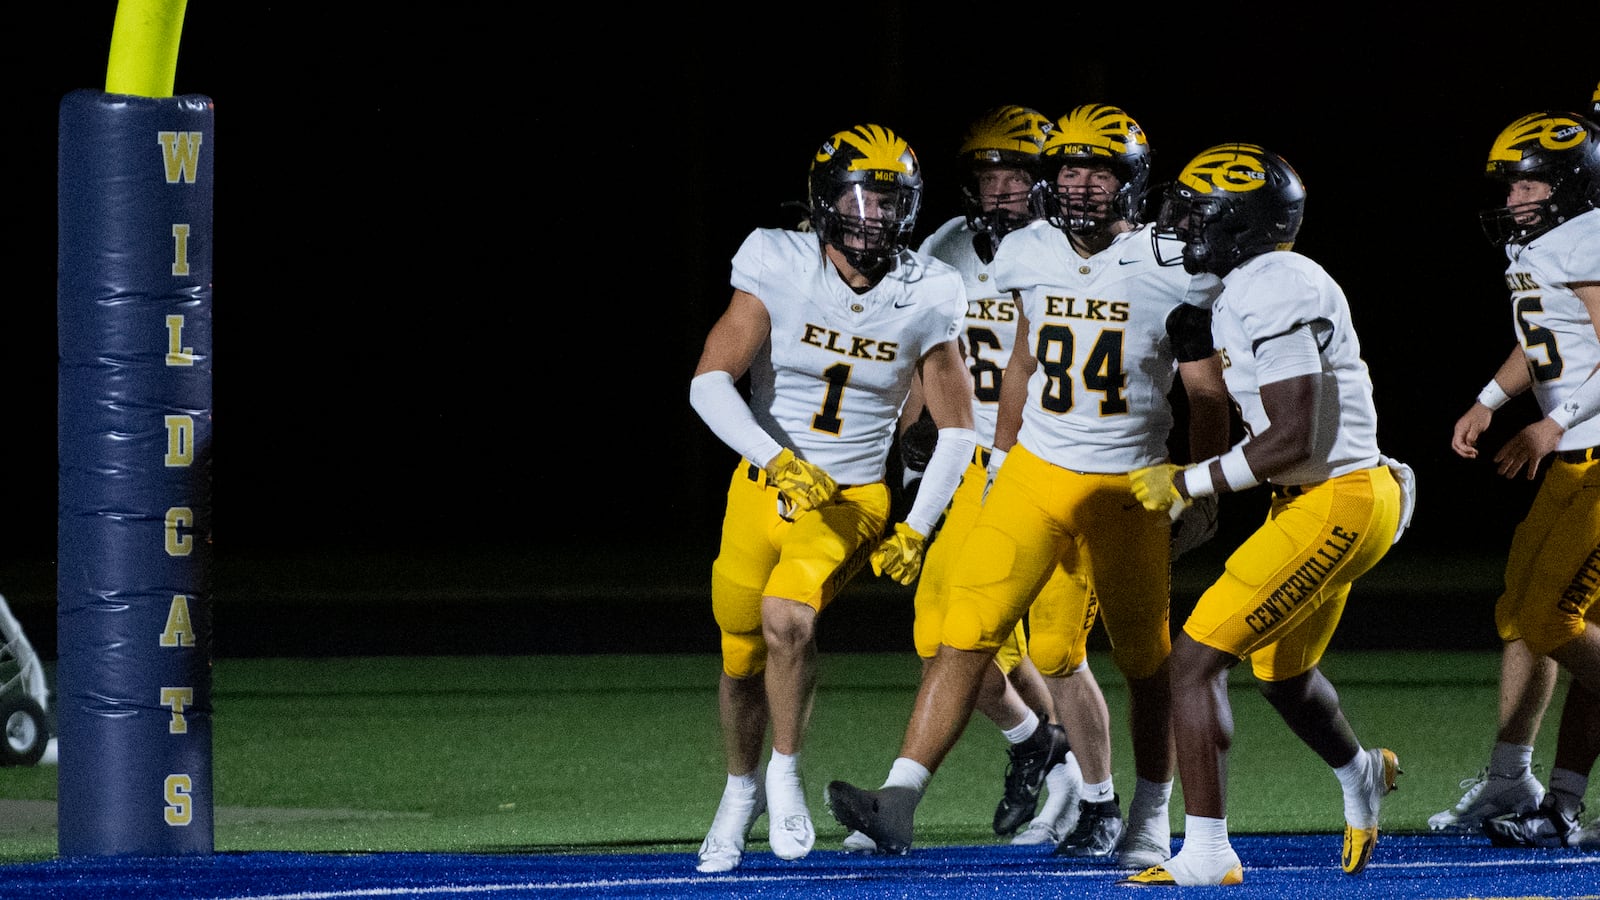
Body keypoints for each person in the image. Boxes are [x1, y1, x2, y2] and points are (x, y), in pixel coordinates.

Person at [824, 104, 1231, 871]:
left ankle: (1146, 812)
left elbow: (1209, 395)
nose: (1079, 184)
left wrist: (1200, 487)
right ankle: (901, 798)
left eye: (1098, 170)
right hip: (1034, 474)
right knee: (964, 629)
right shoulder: (1025, 251)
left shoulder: (1170, 262)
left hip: (1126, 485)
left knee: (1143, 661)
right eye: (1069, 168)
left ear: (1131, 182)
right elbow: (1020, 363)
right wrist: (1004, 456)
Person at [687, 123, 977, 873]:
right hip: (760, 491)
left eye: (888, 201)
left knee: (788, 619)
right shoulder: (777, 261)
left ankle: (784, 771)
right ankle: (738, 790)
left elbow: (956, 429)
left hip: (851, 499)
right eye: (858, 196)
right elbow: (709, 380)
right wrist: (774, 459)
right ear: (824, 198)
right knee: (738, 655)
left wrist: (917, 524)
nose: (872, 215)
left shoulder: (929, 290)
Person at [1122, 142, 1415, 886]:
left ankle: (1209, 853)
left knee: (1193, 661)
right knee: (1283, 673)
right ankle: (1361, 776)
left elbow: (1292, 437)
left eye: (1198, 212)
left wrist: (1188, 483)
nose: (1180, 223)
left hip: (1337, 498)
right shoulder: (1249, 284)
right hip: (1330, 497)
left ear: (1243, 224)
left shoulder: (1276, 283)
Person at [858, 105, 1095, 852]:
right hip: (971, 469)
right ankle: (1044, 752)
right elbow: (915, 356)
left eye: (1017, 174)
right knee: (947, 638)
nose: (1001, 191)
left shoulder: (1067, 252)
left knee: (1054, 648)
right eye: (988, 176)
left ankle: (1100, 799)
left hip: (1048, 464)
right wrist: (907, 450)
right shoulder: (944, 247)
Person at [1430, 98, 1600, 837]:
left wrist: (1552, 422)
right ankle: (1515, 782)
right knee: (1522, 617)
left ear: (1569, 185)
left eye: (1528, 186)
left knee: (1551, 617)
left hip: (1595, 453)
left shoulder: (1593, 236)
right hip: (1572, 457)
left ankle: (1555, 800)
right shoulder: (1541, 245)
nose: (1513, 199)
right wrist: (1489, 401)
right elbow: (1544, 345)